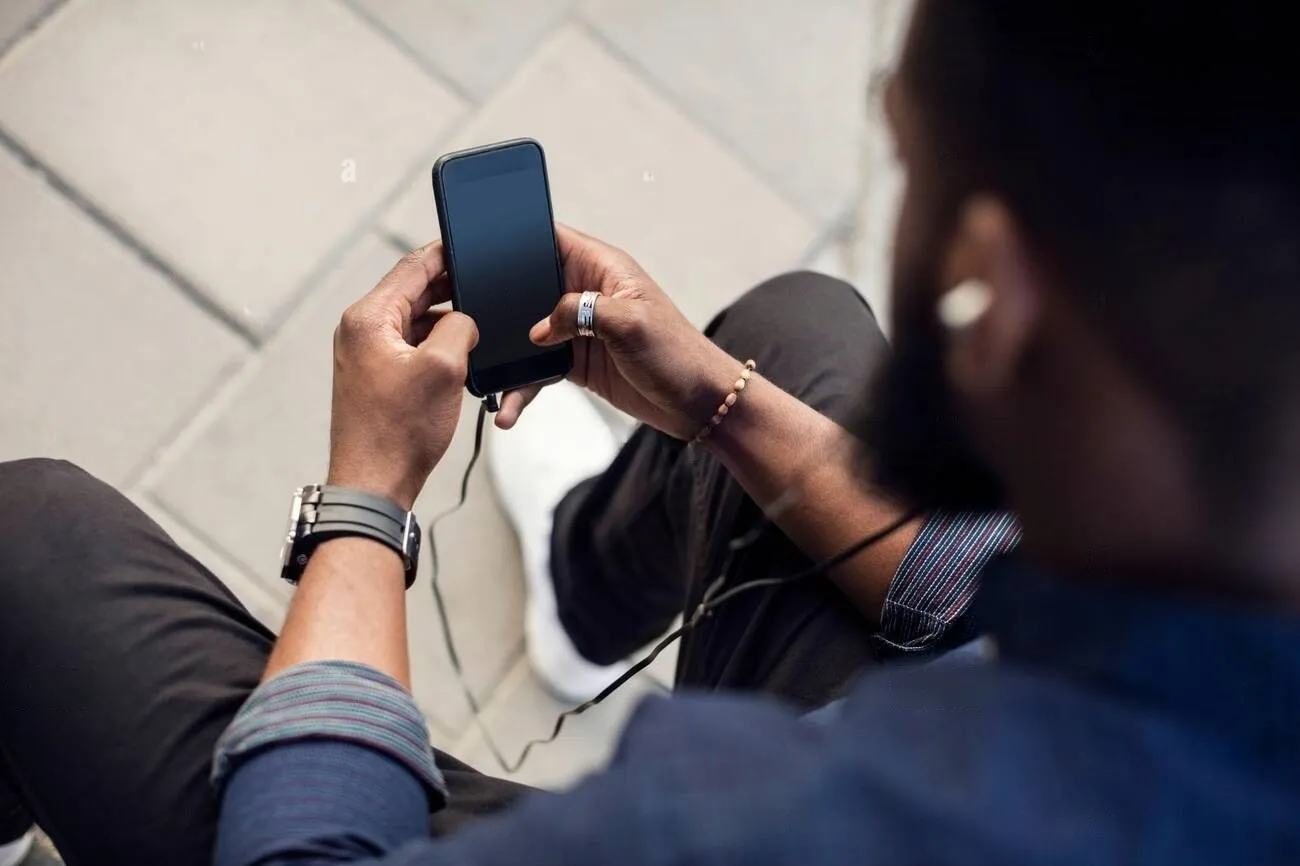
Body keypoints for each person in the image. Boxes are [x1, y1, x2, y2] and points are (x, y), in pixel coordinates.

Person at [3, 0, 1300, 863]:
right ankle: (580, 602)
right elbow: (973, 592)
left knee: (27, 549)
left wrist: (369, 499)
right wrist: (710, 402)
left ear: (993, 293)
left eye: (914, 158)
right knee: (796, 330)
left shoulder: (783, 819)